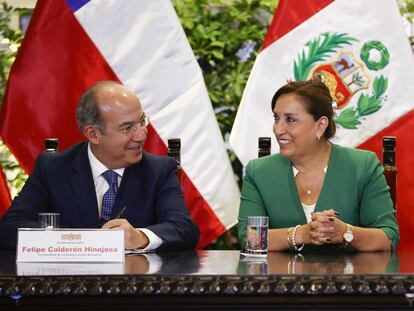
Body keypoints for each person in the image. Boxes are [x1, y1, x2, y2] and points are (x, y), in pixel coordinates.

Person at [0, 81, 199, 250]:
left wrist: (141, 237)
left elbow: (184, 229)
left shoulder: (159, 170)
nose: (141, 135)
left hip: (134, 288)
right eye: (127, 127)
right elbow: (10, 227)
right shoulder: (53, 168)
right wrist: (78, 242)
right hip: (68, 286)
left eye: (141, 122)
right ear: (93, 134)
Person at [238, 80, 399, 252]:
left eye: (290, 119)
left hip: (348, 278)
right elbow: (249, 240)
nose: (278, 129)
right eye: (277, 118)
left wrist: (345, 233)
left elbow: (388, 238)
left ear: (320, 125)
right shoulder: (259, 172)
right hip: (281, 278)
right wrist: (302, 234)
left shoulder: (363, 165)